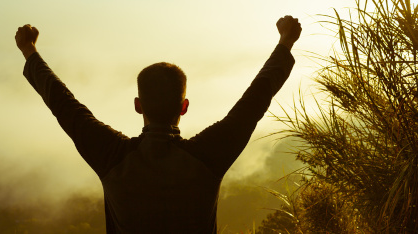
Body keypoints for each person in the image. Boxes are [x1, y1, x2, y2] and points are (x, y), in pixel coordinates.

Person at [15, 16, 301, 233]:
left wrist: (29, 50)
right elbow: (255, 99)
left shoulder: (112, 156)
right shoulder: (207, 156)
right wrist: (285, 42)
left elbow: (63, 103)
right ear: (184, 107)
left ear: (138, 105)